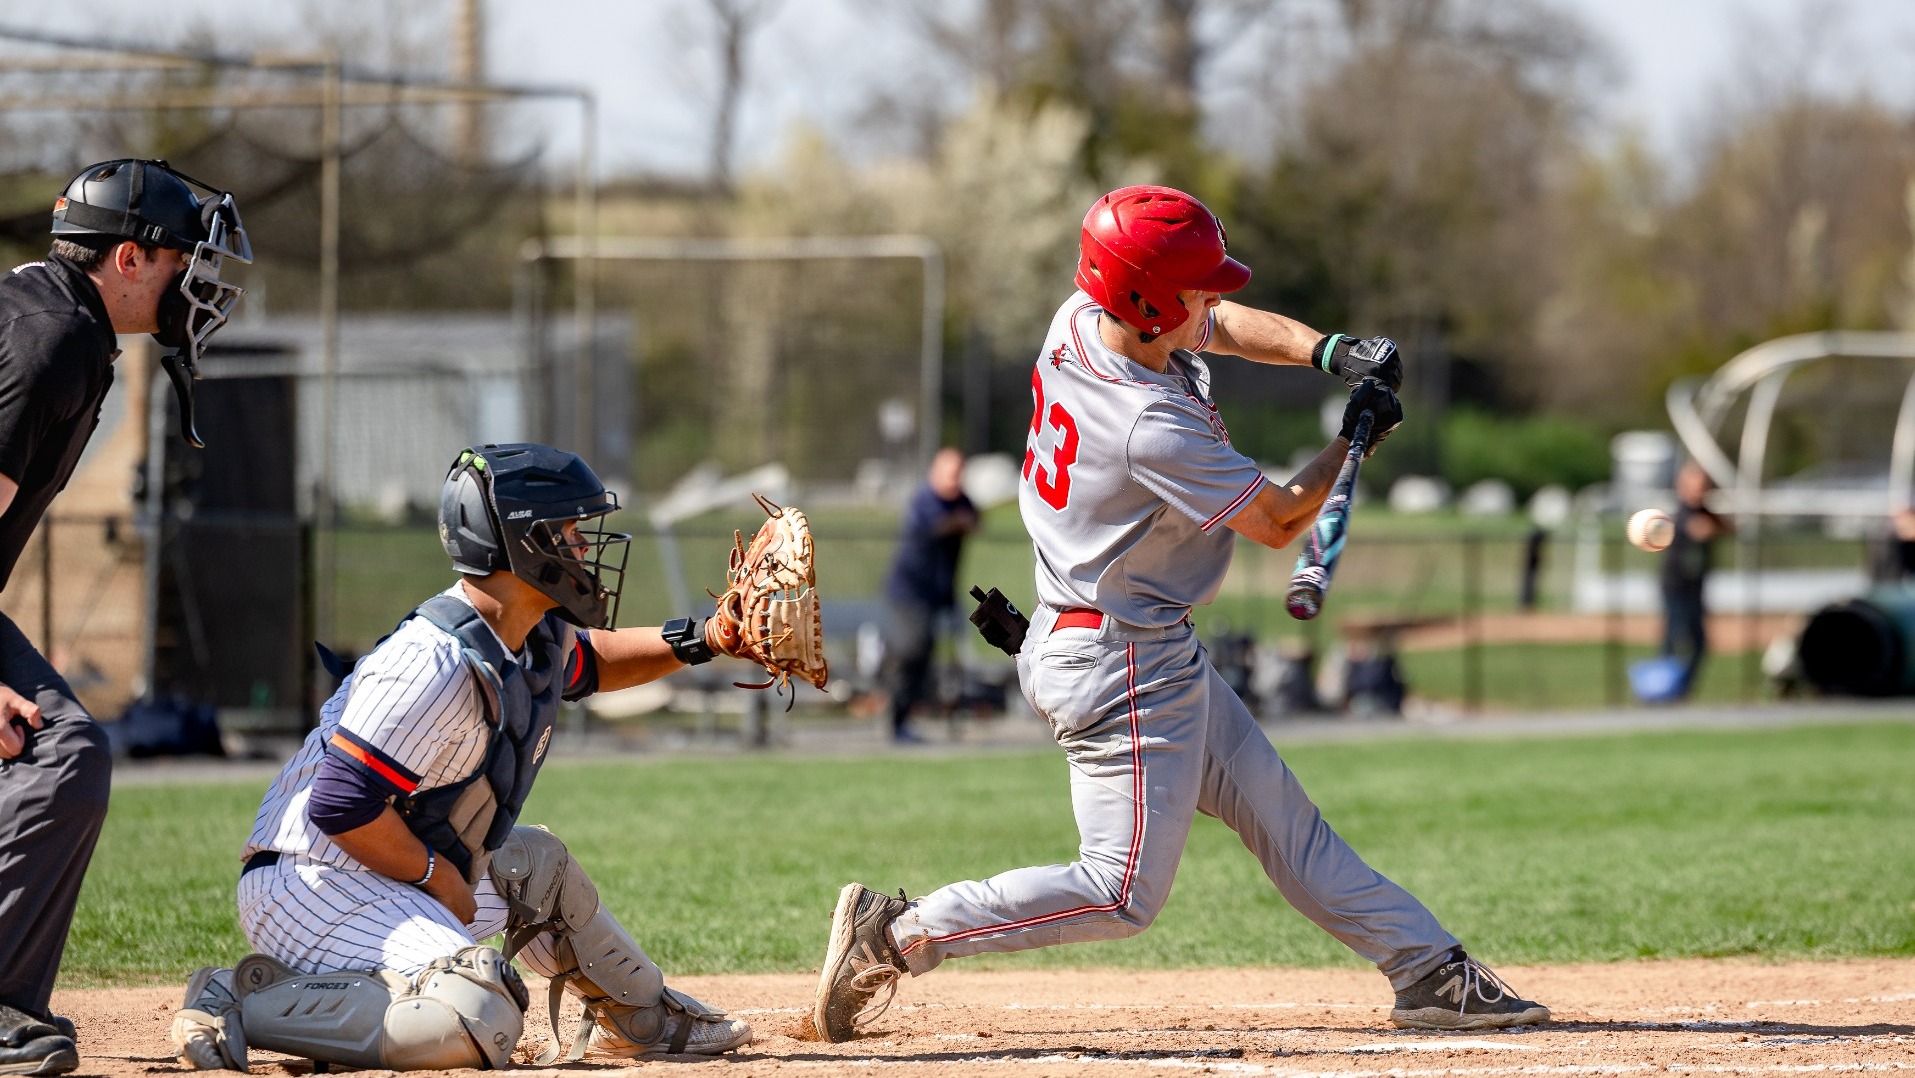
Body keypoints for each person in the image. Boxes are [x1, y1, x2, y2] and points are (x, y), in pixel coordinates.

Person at [811, 185, 1549, 1041]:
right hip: (1117, 662)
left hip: (1133, 639)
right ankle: (895, 934)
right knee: (1119, 893)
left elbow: (1219, 325)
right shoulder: (1144, 423)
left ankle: (1426, 970)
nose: (1211, 301)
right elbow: (1275, 520)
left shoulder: (1083, 318)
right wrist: (1355, 441)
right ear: (1146, 300)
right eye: (1194, 288)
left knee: (1284, 821)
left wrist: (1331, 353)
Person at [170, 444, 765, 1071]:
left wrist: (709, 637)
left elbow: (593, 663)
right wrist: (436, 876)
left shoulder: (526, 634)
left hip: (381, 876)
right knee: (480, 1011)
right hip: (312, 883)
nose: (585, 547)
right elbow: (341, 803)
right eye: (568, 530)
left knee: (539, 867)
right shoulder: (430, 663)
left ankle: (643, 1017)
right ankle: (242, 998)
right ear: (522, 542)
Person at [0, 159, 250, 1077]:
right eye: (188, 258)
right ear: (133, 259)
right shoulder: (53, 339)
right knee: (58, 752)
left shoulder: (57, 321)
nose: (202, 282)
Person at [881, 447, 978, 742]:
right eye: (949, 473)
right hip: (911, 592)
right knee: (911, 651)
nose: (954, 480)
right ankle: (896, 718)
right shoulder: (924, 500)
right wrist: (956, 521)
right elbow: (938, 525)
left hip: (939, 594)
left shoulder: (961, 501)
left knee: (926, 656)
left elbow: (974, 519)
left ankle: (909, 718)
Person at [1659, 461, 1729, 697]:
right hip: (1676, 587)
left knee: (1699, 643)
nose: (1701, 491)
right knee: (1674, 638)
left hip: (1696, 587)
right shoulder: (1680, 513)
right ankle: (1664, 688)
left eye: (1704, 486)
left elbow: (1726, 527)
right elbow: (1689, 527)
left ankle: (1681, 689)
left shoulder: (1705, 513)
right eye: (1697, 485)